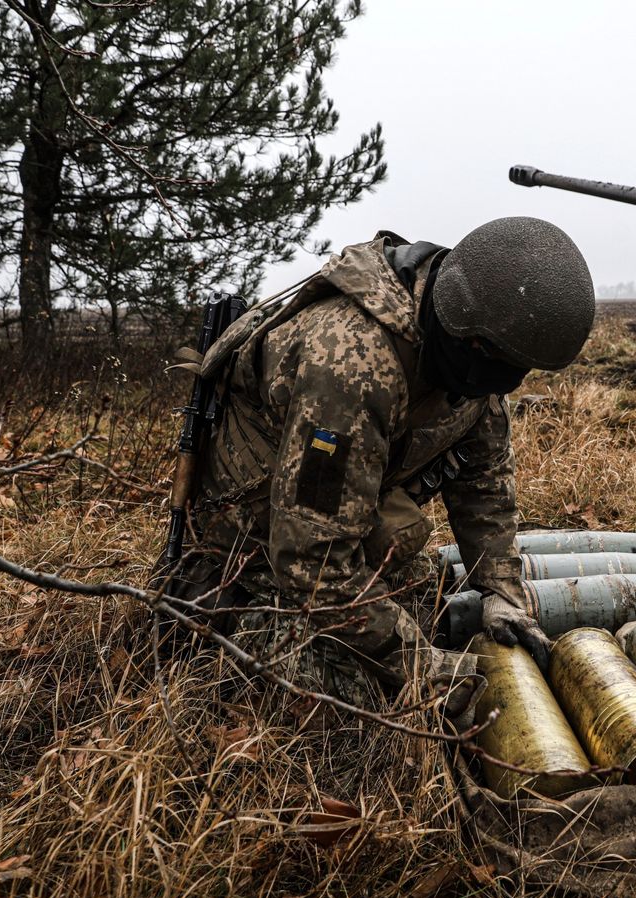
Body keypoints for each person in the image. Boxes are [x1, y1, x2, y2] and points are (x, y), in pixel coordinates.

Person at [169, 217, 595, 703]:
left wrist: (500, 591)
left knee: (427, 602)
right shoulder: (352, 364)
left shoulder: (467, 350)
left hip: (334, 512)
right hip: (254, 536)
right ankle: (238, 617)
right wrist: (424, 667)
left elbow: (484, 482)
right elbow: (313, 562)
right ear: (474, 343)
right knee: (341, 693)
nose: (508, 384)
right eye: (507, 368)